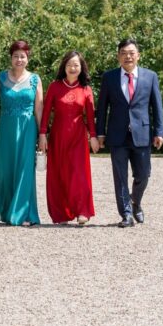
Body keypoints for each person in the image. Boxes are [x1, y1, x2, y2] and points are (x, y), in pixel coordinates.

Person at [96, 39, 163, 228]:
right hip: (117, 135)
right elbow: (102, 108)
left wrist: (159, 131)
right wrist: (100, 132)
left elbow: (157, 106)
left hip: (142, 134)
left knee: (143, 174)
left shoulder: (150, 76)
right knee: (120, 177)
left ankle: (136, 202)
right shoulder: (109, 77)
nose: (128, 56)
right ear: (118, 56)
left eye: (132, 53)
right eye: (124, 53)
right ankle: (126, 214)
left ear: (138, 55)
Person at [38, 51, 100, 225]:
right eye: (69, 65)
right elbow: (46, 113)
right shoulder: (55, 86)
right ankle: (61, 214)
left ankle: (82, 211)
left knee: (79, 174)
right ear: (64, 67)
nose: (73, 68)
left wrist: (93, 137)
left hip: (78, 138)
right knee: (58, 174)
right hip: (57, 136)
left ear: (81, 67)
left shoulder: (86, 89)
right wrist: (42, 134)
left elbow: (90, 117)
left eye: (76, 65)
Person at [0, 40, 43, 226]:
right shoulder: (1, 78)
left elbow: (39, 108)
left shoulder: (35, 79)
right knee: (4, 169)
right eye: (15, 56)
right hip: (6, 129)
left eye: (22, 56)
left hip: (28, 129)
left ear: (28, 58)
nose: (19, 59)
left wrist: (42, 134)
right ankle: (7, 210)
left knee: (25, 169)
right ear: (11, 58)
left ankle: (23, 213)